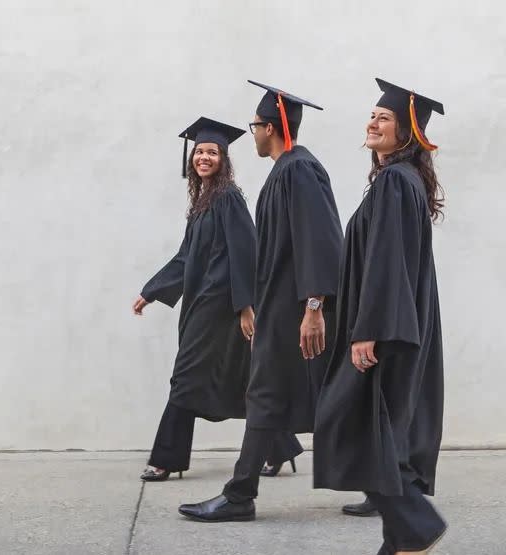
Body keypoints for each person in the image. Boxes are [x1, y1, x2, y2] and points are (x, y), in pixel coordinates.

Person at [178, 82, 343, 521]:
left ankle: (240, 494)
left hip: (293, 312)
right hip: (278, 310)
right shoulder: (284, 169)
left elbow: (321, 239)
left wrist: (314, 307)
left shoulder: (300, 170)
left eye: (254, 126)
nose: (251, 133)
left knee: (304, 394)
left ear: (270, 127)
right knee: (267, 396)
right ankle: (240, 493)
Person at [313, 78, 447, 555]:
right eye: (372, 115)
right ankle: (400, 543)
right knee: (384, 435)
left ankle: (415, 524)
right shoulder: (404, 179)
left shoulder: (394, 182)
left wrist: (366, 330)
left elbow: (387, 260)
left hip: (384, 331)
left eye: (384, 117)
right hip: (399, 326)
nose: (373, 122)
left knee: (356, 428)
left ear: (406, 131)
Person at [134, 117, 301, 482]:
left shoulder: (228, 198)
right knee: (241, 380)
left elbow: (246, 252)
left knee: (185, 377)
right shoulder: (203, 201)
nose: (204, 157)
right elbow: (185, 258)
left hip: (221, 307)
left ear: (224, 159)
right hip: (202, 306)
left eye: (212, 152)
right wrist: (151, 291)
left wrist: (246, 307)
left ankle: (166, 457)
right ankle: (279, 446)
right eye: (200, 152)